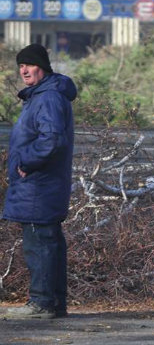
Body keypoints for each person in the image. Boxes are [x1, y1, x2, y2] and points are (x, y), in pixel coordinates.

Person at [2, 44, 77, 320]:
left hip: (39, 186)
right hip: (43, 185)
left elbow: (52, 139)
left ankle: (42, 303)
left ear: (42, 67)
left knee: (40, 244)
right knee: (49, 241)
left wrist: (26, 161)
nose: (23, 70)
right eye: (21, 65)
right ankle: (54, 302)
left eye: (29, 65)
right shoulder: (44, 95)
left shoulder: (47, 98)